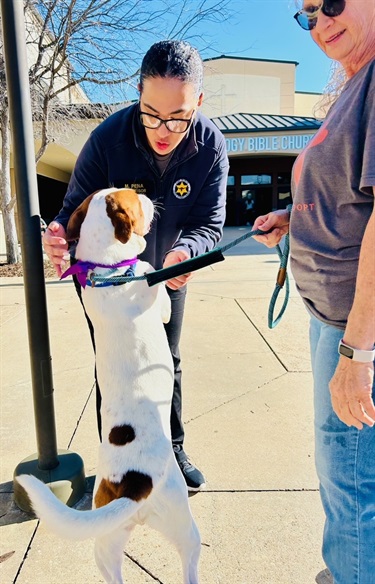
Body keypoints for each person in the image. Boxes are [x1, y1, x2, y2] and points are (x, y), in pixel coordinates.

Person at [42, 40, 229, 492]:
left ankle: (173, 447)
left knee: (169, 356)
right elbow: (72, 210)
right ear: (137, 94)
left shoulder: (210, 147)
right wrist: (58, 234)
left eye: (178, 116)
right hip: (107, 279)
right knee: (114, 365)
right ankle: (116, 461)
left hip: (168, 270)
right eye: (150, 112)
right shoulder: (107, 139)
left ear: (199, 102)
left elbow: (209, 222)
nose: (163, 129)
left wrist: (185, 253)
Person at [253, 2, 375, 582]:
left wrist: (357, 352)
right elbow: (346, 201)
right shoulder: (355, 84)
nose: (322, 21)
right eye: (307, 15)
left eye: (331, 2)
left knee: (351, 483)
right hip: (335, 319)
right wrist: (291, 218)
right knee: (353, 474)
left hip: (356, 328)